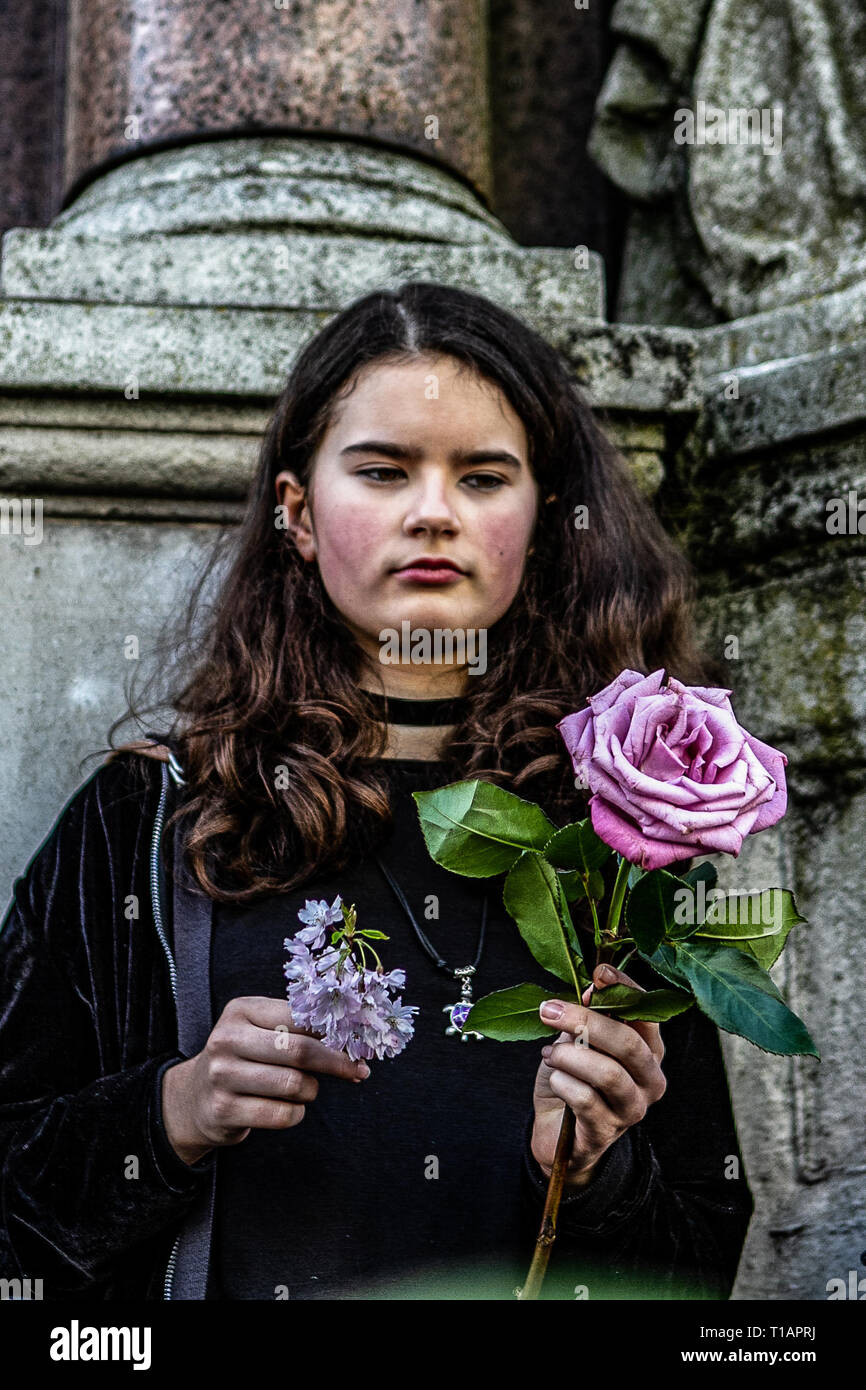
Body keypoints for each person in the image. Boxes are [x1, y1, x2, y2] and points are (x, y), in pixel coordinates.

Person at [0, 281, 753, 1301]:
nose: (433, 512)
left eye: (483, 477)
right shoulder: (154, 817)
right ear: (298, 515)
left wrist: (598, 1172)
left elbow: (702, 1262)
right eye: (383, 470)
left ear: (539, 523)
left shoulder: (610, 839)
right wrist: (170, 1112)